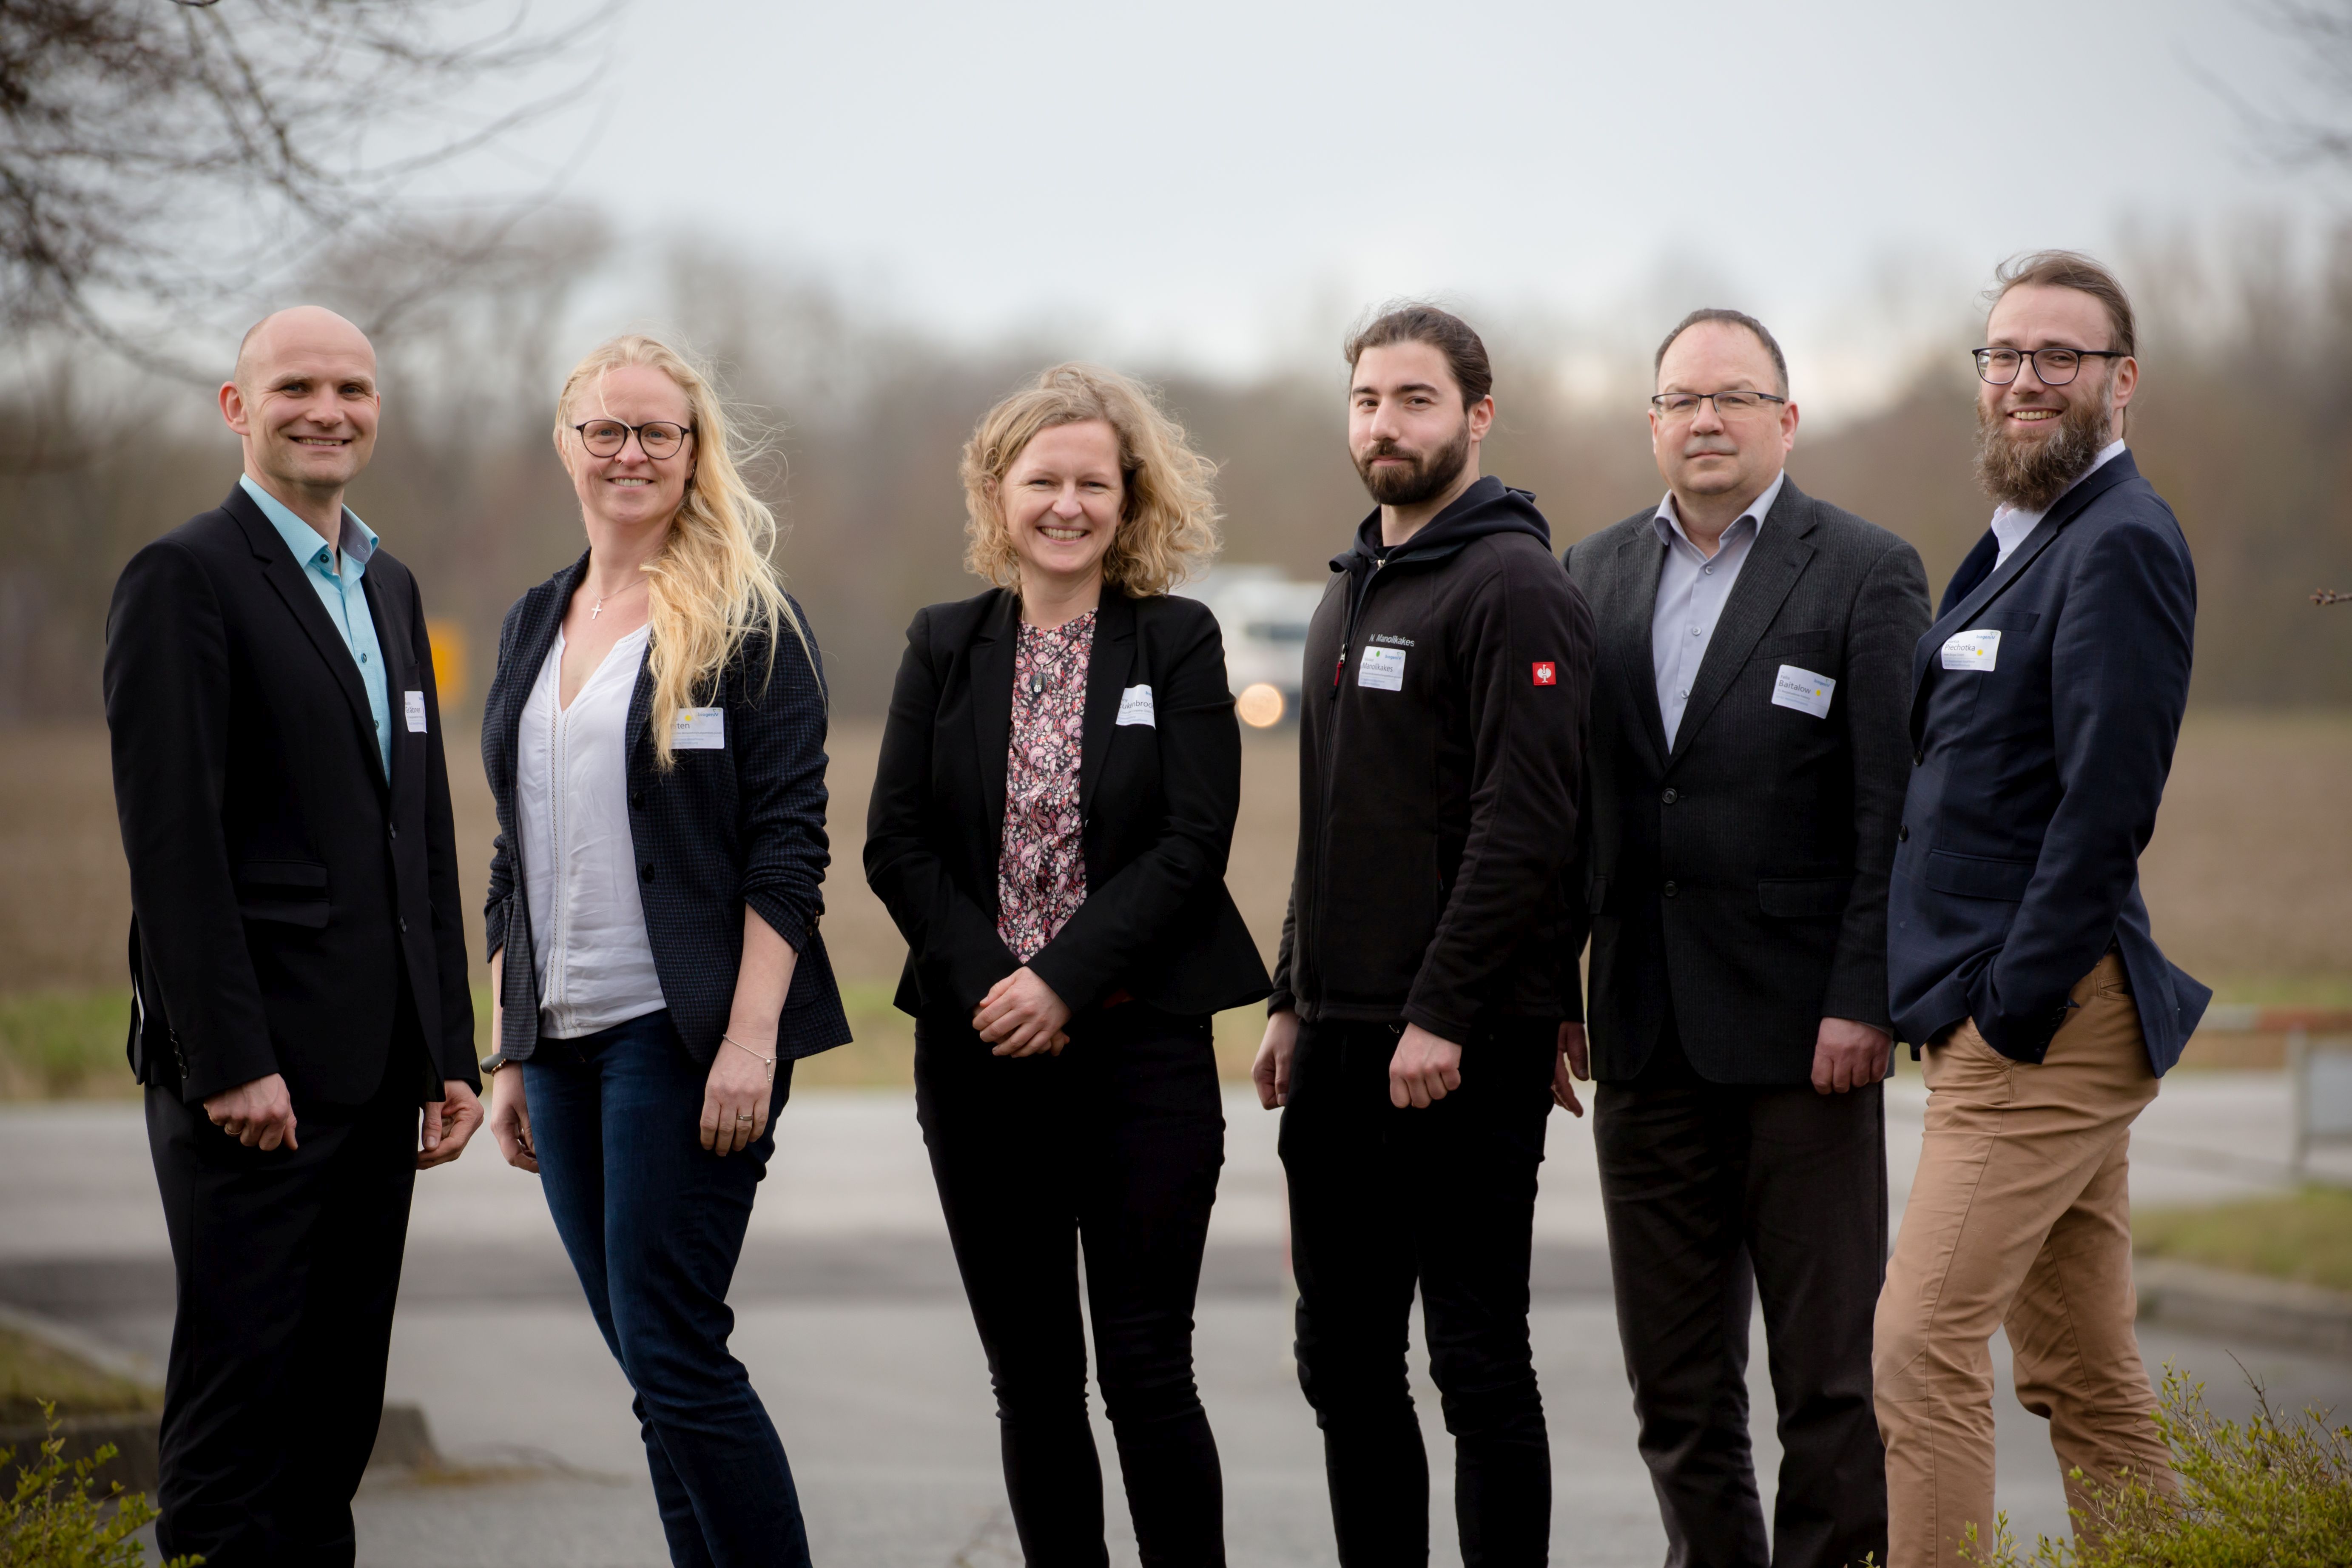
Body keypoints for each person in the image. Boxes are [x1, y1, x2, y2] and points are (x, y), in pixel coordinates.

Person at [865, 364, 1269, 1567]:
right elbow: (896, 842)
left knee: (1148, 1372)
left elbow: (1194, 842)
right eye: (1042, 479)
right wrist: (1002, 987)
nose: (1067, 504)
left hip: (1139, 1051)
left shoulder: (1179, 640)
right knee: (1033, 1383)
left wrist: (1063, 983)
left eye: (1093, 481)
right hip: (979, 1055)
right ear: (997, 494)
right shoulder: (943, 644)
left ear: (1128, 496)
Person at [101, 306, 483, 1565]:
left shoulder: (389, 584)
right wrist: (226, 1060)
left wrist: (450, 1052)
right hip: (251, 1087)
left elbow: (416, 834)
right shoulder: (185, 577)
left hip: (376, 1085)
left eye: (354, 389)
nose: (330, 410)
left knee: (331, 1430)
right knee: (235, 1432)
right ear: (236, 408)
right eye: (298, 386)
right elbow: (174, 852)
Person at [1559, 308, 1928, 1568]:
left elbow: (1892, 807)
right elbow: (1568, 808)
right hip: (1645, 1037)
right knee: (1675, 1393)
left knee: (1828, 1387)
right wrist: (1553, 987)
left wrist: (1864, 997)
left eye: (1733, 396)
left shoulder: (1864, 570)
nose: (1704, 419)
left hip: (1802, 1043)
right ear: (1651, 423)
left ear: (1786, 417)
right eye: (1680, 399)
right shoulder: (1590, 573)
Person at [478, 333, 850, 1568]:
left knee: (677, 1352)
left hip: (683, 1039)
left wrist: (748, 1043)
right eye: (606, 429)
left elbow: (788, 854)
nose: (629, 452)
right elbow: (512, 853)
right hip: (564, 1040)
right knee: (650, 1365)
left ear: (695, 456)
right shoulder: (538, 617)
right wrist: (509, 1048)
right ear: (567, 443)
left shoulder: (747, 618)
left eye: (657, 432)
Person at [1875, 252, 2208, 1568]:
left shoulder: (2120, 543)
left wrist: (2009, 1006)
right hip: (2028, 1012)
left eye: (2057, 358)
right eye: (2003, 356)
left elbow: (2105, 802)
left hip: (2040, 1025)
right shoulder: (2027, 541)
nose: (2023, 380)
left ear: (2120, 383)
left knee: (1918, 1350)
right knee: (2080, 1375)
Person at [1251, 304, 1593, 1568]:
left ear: (1476, 417)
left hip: (1463, 1043)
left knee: (1474, 1363)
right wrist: (1291, 992)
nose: (1383, 425)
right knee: (1338, 1361)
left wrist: (1441, 1012)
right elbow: (1332, 822)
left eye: (1413, 400)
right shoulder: (1350, 589)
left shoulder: (1515, 588)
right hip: (1339, 1043)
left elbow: (1529, 823)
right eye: (1365, 401)